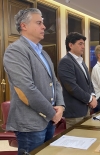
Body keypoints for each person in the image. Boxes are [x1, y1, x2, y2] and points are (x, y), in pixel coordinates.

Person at [3, 8, 65, 153]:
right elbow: (26, 88)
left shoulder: (43, 52)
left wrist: (60, 105)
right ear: (24, 26)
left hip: (49, 120)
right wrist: (52, 113)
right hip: (30, 123)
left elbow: (55, 82)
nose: (44, 26)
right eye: (39, 23)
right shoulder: (15, 50)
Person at [58, 32, 97, 129]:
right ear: (70, 45)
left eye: (83, 44)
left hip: (86, 108)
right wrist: (90, 99)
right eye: (80, 44)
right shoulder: (66, 62)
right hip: (75, 111)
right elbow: (72, 87)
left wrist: (93, 95)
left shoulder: (81, 61)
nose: (83, 47)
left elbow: (89, 82)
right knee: (77, 140)